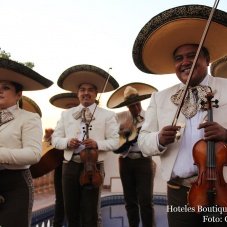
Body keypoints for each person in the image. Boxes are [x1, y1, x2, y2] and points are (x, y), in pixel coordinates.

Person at [132, 4, 227, 227]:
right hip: (178, 192)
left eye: (192, 56)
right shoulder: (160, 98)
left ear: (207, 60)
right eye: (179, 58)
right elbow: (143, 141)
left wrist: (226, 134)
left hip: (223, 192)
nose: (185, 62)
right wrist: (159, 139)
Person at [51, 64, 119, 227]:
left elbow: (115, 141)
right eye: (82, 89)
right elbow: (55, 139)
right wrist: (68, 142)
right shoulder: (66, 114)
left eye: (90, 90)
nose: (86, 93)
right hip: (69, 167)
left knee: (90, 214)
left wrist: (97, 143)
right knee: (71, 211)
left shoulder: (108, 115)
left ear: (96, 94)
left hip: (93, 166)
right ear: (78, 93)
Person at [0, 58, 53, 227]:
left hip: (15, 185)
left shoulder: (29, 118)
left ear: (19, 94)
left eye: (6, 88)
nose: (0, 91)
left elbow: (33, 154)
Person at [107, 82, 157, 227]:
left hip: (144, 160)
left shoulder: (149, 117)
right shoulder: (120, 118)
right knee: (129, 201)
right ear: (127, 106)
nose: (135, 108)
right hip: (125, 161)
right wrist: (122, 133)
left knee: (146, 201)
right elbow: (114, 141)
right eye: (131, 106)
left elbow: (154, 139)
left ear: (140, 102)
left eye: (137, 104)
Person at [48, 92, 81, 227]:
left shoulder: (85, 122)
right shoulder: (61, 122)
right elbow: (55, 141)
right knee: (60, 200)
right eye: (68, 107)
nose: (70, 109)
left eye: (73, 106)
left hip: (79, 165)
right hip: (61, 165)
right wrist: (50, 138)